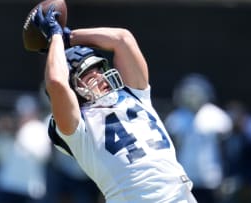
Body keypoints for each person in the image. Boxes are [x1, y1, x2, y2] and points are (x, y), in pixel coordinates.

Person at [30, 5, 197, 203]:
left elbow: (122, 38)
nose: (100, 77)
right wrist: (54, 38)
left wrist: (68, 37)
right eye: (88, 74)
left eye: (99, 69)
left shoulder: (135, 95)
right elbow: (57, 82)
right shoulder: (79, 129)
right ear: (73, 88)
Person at [164, 73, 232, 203]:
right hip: (184, 179)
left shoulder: (216, 116)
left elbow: (226, 150)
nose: (193, 98)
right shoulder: (176, 118)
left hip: (211, 179)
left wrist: (226, 176)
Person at [0, 94, 52, 203]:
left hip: (30, 189)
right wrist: (3, 135)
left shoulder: (40, 129)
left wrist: (16, 135)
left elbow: (43, 156)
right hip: (7, 185)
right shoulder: (8, 132)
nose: (24, 116)